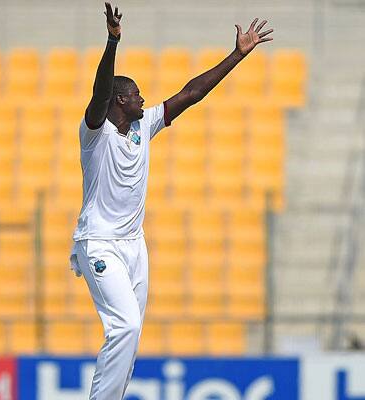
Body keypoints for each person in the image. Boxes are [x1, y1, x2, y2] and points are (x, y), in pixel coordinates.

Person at [69, 3, 274, 399]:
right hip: (100, 242)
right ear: (118, 102)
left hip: (134, 246)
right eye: (135, 95)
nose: (143, 99)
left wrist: (236, 55)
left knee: (132, 334)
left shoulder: (143, 126)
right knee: (124, 325)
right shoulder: (95, 132)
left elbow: (192, 93)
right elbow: (99, 91)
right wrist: (112, 43)